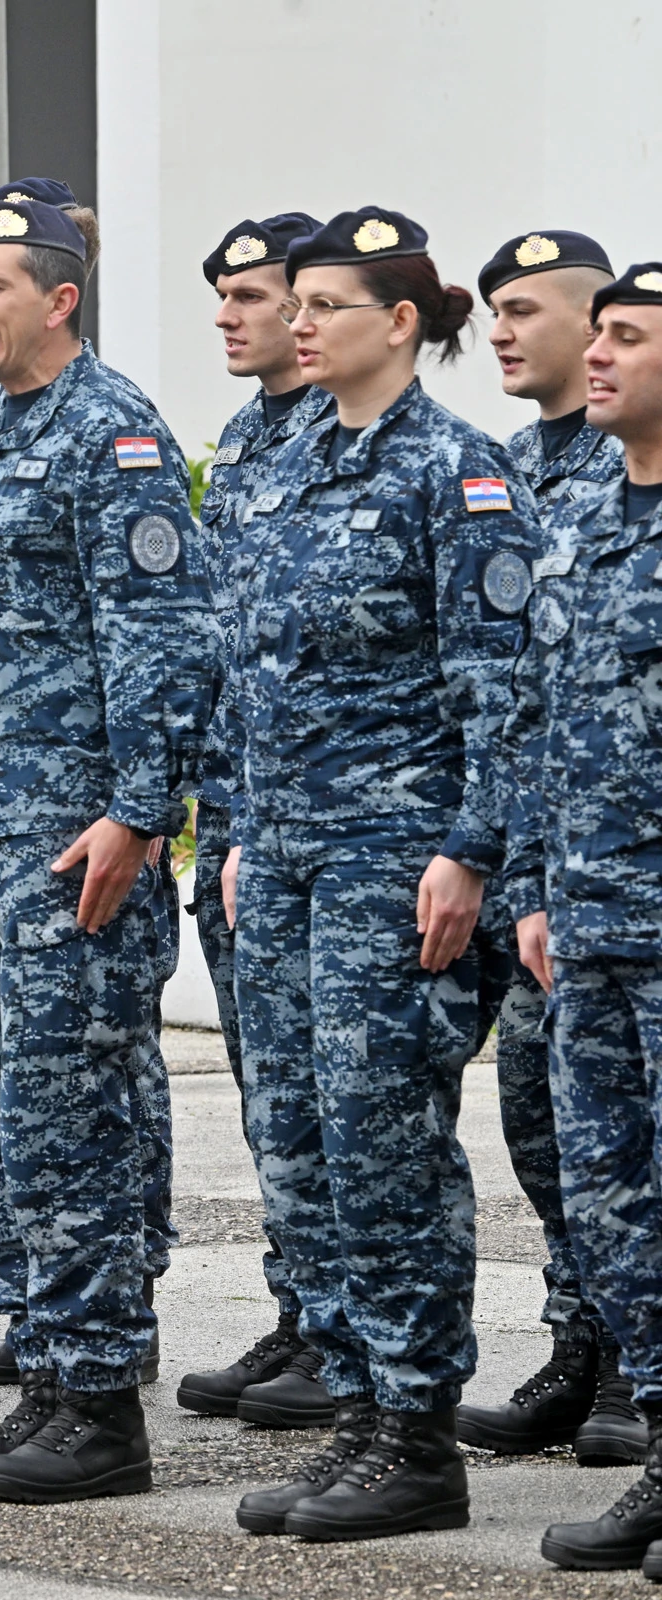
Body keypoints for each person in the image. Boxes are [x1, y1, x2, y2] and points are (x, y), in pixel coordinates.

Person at [222, 208, 537, 1541]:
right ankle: (353, 1411)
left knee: (384, 1142)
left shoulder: (454, 472)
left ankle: (415, 1431)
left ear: (401, 322)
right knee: (299, 1141)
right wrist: (244, 826)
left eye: (326, 306)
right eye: (293, 305)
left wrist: (471, 850)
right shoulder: (288, 460)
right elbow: (255, 668)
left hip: (394, 863)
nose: (299, 325)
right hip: (286, 856)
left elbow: (504, 690)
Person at [0, 197, 207, 1503]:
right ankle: (47, 1359)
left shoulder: (113, 431)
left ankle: (97, 1399)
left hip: (70, 839)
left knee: (68, 1113)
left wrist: (139, 812)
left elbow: (160, 635)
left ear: (60, 298)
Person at [455, 229, 635, 1465]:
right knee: (542, 1107)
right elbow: (521, 694)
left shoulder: (635, 463)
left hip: (629, 880)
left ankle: (632, 1361)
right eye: (493, 311)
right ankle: (586, 1338)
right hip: (549, 869)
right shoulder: (511, 469)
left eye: (525, 310)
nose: (502, 332)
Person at [172, 213, 335, 1426]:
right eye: (220, 295)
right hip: (239, 816)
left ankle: (354, 1332)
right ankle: (306, 1309)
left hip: (332, 824)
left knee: (342, 1092)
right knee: (269, 1085)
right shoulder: (240, 440)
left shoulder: (357, 436)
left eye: (250, 294)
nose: (228, 315)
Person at [513, 263, 662, 1573]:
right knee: (613, 1202)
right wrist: (539, 888)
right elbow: (544, 724)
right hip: (594, 923)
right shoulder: (585, 518)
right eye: (598, 332)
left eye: (630, 337)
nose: (599, 356)